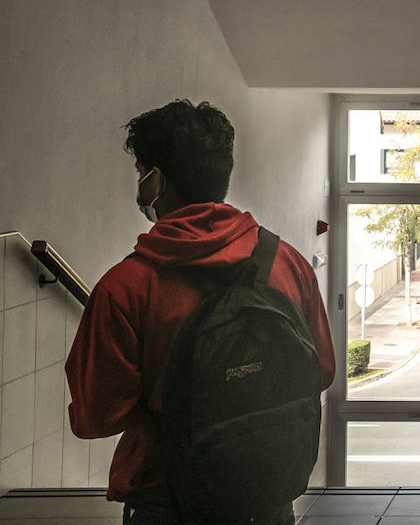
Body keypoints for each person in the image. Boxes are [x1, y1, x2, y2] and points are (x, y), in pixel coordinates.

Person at [66, 99, 335, 523]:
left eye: (141, 174)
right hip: (266, 502)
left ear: (156, 182)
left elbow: (95, 417)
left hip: (167, 502)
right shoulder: (288, 264)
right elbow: (321, 371)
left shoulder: (125, 288)